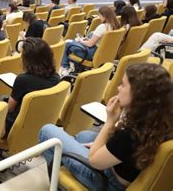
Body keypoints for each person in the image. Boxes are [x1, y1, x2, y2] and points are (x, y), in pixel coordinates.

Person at [39, 63, 173, 190]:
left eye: (123, 85)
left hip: (107, 182)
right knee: (83, 136)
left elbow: (94, 162)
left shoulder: (131, 135)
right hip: (131, 171)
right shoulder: (159, 119)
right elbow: (122, 146)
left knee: (48, 131)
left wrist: (110, 121)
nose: (118, 88)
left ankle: (59, 185)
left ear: (139, 94)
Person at [5, 38, 60, 135]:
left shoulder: (22, 79)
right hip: (42, 124)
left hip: (17, 127)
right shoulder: (56, 78)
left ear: (28, 60)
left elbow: (10, 108)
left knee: (1, 103)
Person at [60, 6, 120, 76]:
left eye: (99, 15)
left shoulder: (102, 27)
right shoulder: (115, 26)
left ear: (104, 16)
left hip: (91, 53)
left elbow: (90, 44)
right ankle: (72, 67)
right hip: (103, 53)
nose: (99, 17)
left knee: (67, 43)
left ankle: (65, 68)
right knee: (84, 37)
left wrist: (81, 40)